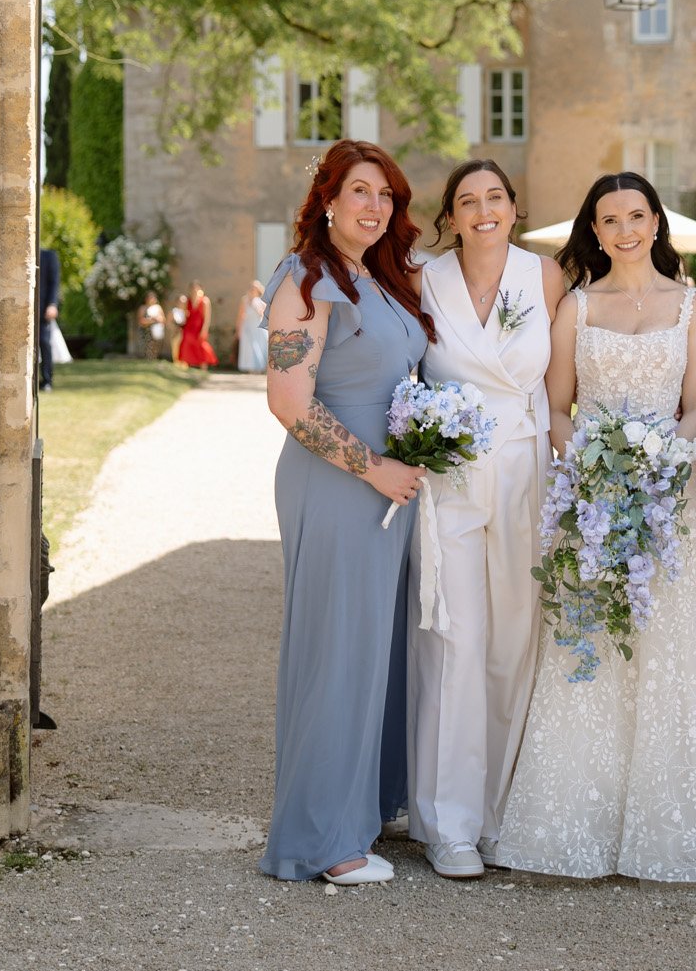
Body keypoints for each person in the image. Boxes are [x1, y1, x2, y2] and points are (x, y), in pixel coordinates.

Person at [496, 173, 696, 882]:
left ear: (655, 222)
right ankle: (578, 827)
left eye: (635, 215)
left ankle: (685, 824)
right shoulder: (574, 306)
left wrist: (661, 464)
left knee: (678, 648)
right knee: (591, 646)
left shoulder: (694, 307)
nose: (623, 229)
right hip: (593, 504)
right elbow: (558, 406)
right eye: (608, 219)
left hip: (670, 498)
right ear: (592, 231)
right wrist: (594, 471)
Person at [260, 139, 433, 884]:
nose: (373, 206)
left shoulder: (383, 280)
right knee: (337, 650)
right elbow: (289, 400)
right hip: (338, 485)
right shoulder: (306, 278)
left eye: (386, 195)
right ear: (327, 198)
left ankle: (362, 807)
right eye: (359, 191)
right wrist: (373, 468)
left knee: (377, 649)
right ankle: (323, 841)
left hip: (388, 487)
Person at [405, 160, 565, 880]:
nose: (482, 211)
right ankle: (448, 824)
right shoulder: (423, 281)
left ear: (513, 207)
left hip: (526, 468)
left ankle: (505, 814)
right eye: (467, 202)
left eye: (493, 198)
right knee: (455, 638)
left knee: (515, 640)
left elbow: (565, 385)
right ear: (451, 216)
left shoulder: (546, 277)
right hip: (451, 473)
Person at [177, 281, 218, 369]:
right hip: (188, 328)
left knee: (202, 347)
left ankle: (204, 369)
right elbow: (182, 315)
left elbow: (207, 318)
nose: (194, 290)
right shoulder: (187, 301)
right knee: (186, 347)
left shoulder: (205, 301)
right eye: (192, 288)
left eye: (196, 288)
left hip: (199, 328)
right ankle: (187, 368)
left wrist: (204, 330)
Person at [38, 244, 61, 391]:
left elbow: (54, 283)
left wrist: (52, 304)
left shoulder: (49, 256)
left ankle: (47, 380)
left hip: (43, 309)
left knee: (44, 342)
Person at [235, 280, 269, 373]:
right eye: (251, 287)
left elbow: (265, 316)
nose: (252, 290)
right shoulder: (244, 300)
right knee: (250, 347)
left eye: (255, 288)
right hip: (248, 327)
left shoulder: (261, 301)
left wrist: (257, 308)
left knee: (260, 347)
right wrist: (238, 329)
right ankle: (251, 368)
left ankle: (260, 368)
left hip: (258, 327)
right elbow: (241, 315)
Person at [139, 291, 168, 359]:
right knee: (148, 348)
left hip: (157, 331)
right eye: (150, 298)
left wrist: (159, 319)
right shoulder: (143, 308)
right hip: (146, 332)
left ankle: (154, 359)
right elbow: (141, 321)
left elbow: (163, 320)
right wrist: (153, 320)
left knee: (156, 348)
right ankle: (148, 361)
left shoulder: (158, 308)